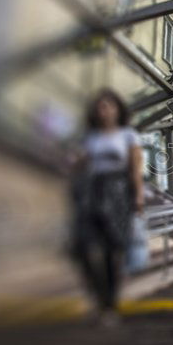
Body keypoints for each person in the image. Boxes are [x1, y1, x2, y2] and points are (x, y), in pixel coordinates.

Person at [70, 89, 144, 326]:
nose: (104, 110)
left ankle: (109, 306)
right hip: (92, 192)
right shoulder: (91, 137)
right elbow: (80, 164)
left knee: (113, 250)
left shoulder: (128, 136)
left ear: (118, 109)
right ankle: (101, 299)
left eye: (109, 105)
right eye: (100, 106)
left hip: (118, 192)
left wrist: (138, 196)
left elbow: (134, 168)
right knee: (84, 247)